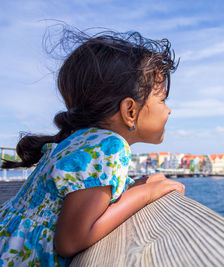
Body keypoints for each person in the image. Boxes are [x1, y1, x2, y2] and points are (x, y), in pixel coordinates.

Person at [0, 26, 185, 266]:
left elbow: (87, 199)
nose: (168, 109)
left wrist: (132, 187)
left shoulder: (79, 142)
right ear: (130, 110)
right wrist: (146, 194)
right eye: (162, 100)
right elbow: (71, 240)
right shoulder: (109, 146)